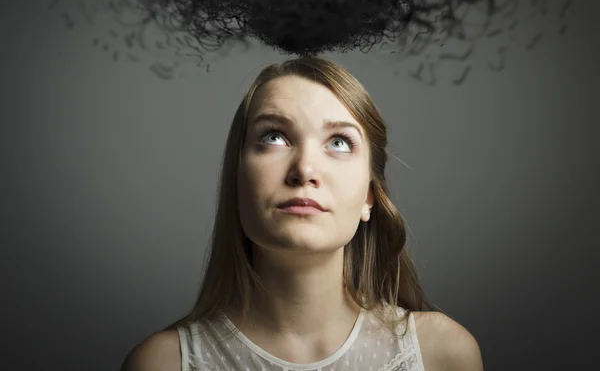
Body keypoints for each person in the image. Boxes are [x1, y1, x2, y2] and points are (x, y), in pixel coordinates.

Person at [120, 57, 484, 371]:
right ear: (237, 178)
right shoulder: (163, 363)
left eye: (339, 142)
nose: (305, 169)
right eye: (274, 137)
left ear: (369, 197)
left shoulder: (441, 354)